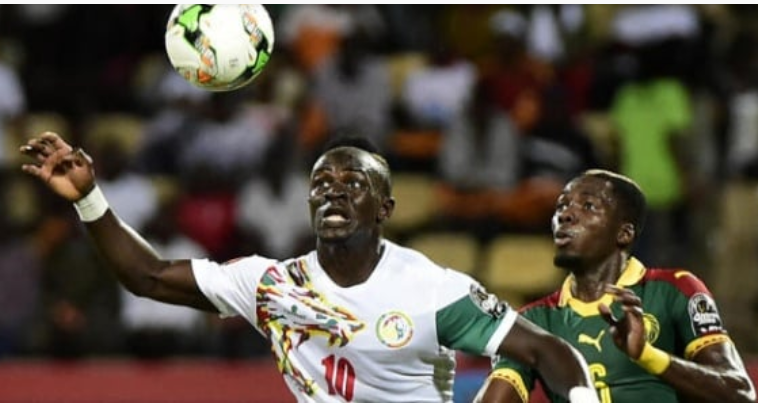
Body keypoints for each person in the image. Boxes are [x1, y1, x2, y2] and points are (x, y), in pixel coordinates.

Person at [20, 132, 599, 403]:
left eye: (354, 183)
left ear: (386, 208)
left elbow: (550, 352)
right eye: (321, 183)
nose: (334, 192)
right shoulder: (271, 285)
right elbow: (146, 276)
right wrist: (88, 199)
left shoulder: (432, 289)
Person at [477, 169, 756, 403]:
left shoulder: (674, 290)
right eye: (562, 205)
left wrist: (647, 355)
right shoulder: (533, 322)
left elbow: (740, 393)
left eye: (588, 206)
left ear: (624, 233)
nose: (565, 215)